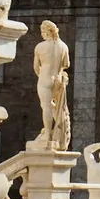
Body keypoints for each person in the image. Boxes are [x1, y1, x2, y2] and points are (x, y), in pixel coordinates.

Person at [32, 20, 71, 150]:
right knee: (56, 106)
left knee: (46, 107)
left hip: (45, 78)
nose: (42, 34)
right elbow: (66, 64)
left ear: (46, 31)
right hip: (58, 80)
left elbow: (36, 67)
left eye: (42, 31)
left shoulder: (40, 47)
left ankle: (48, 135)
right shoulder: (63, 46)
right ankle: (59, 130)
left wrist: (42, 76)